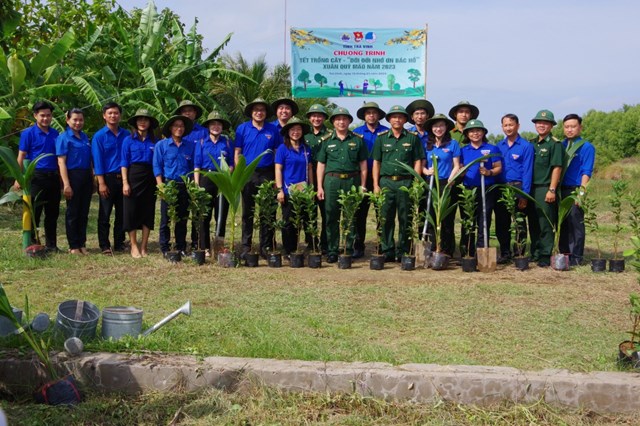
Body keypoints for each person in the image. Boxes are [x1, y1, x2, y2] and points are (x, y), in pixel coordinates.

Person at [372, 105, 424, 261]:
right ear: (389, 120)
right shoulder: (381, 138)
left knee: (405, 218)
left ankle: (403, 249)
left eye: (400, 117)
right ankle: (387, 249)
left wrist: (416, 183)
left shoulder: (412, 138)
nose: (397, 119)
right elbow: (376, 162)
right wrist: (375, 184)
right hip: (386, 182)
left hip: (405, 183)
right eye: (394, 117)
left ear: (405, 119)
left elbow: (417, 161)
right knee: (385, 218)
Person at [316, 107, 368, 263]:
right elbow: (321, 164)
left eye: (344, 119)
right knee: (331, 216)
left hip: (352, 181)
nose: (341, 122)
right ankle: (332, 250)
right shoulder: (326, 141)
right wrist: (319, 186)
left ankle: (348, 249)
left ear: (349, 121)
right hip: (332, 182)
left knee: (350, 216)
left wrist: (363, 185)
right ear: (333, 122)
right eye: (338, 119)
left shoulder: (357, 140)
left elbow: (363, 164)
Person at [235, 98, 283, 259]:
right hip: (248, 173)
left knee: (267, 212)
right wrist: (239, 174)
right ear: (251, 112)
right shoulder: (242, 129)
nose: (259, 112)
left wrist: (277, 179)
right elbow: (237, 153)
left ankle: (266, 246)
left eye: (262, 109)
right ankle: (246, 246)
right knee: (247, 211)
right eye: (256, 109)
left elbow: (277, 153)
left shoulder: (273, 130)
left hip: (268, 173)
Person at [14, 101, 60, 252]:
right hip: (36, 177)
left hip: (53, 177)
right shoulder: (28, 133)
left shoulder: (55, 134)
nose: (45, 118)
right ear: (35, 116)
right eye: (42, 116)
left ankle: (51, 245)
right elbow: (21, 156)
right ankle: (32, 244)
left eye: (48, 115)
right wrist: (18, 177)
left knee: (52, 213)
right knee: (35, 212)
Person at [494, 114, 534, 263]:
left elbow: (528, 171)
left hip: (518, 187)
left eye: (511, 125)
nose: (508, 128)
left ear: (518, 125)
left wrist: (525, 194)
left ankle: (519, 253)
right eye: (505, 125)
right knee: (501, 222)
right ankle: (505, 252)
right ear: (502, 127)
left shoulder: (525, 146)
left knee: (519, 222)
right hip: (502, 188)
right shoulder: (498, 146)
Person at [459, 119, 502, 257]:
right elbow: (459, 167)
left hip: (487, 189)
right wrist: (461, 171)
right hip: (469, 190)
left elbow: (498, 167)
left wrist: (489, 172)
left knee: (484, 219)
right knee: (468, 221)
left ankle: (482, 251)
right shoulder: (463, 150)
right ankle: (468, 252)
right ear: (467, 134)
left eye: (478, 131)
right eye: (471, 131)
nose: (475, 133)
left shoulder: (492, 148)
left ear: (483, 132)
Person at [153, 115, 195, 256]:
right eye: (176, 126)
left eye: (181, 126)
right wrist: (161, 186)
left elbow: (193, 167)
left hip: (184, 185)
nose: (179, 128)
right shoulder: (162, 145)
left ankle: (181, 246)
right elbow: (157, 166)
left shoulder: (190, 146)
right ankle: (165, 247)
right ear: (170, 128)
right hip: (168, 185)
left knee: (182, 218)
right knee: (166, 218)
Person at [194, 111, 235, 256]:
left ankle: (218, 246)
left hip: (222, 180)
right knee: (204, 214)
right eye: (213, 124)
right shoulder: (201, 142)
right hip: (206, 178)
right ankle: (204, 247)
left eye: (218, 124)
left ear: (222, 127)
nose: (216, 127)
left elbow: (231, 163)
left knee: (221, 214)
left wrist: (227, 173)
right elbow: (197, 165)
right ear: (208, 126)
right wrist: (197, 184)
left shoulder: (227, 142)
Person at [528, 109, 565, 267]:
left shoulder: (554, 144)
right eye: (539, 122)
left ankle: (545, 254)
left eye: (545, 123)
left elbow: (557, 167)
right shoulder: (532, 143)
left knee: (545, 223)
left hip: (545, 187)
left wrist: (552, 189)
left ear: (551, 125)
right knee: (533, 222)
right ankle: (535, 252)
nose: (541, 125)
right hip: (531, 188)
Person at [91, 102, 130, 255]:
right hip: (107, 178)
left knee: (122, 213)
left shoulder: (126, 134)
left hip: (124, 178)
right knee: (105, 213)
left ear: (120, 115)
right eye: (110, 113)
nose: (113, 116)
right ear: (104, 116)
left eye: (116, 113)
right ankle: (104, 245)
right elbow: (97, 160)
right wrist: (101, 183)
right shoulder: (99, 137)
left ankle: (119, 242)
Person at [121, 109, 159, 258]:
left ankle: (144, 246)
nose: (143, 122)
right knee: (131, 211)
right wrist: (125, 182)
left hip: (150, 177)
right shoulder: (128, 140)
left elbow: (158, 162)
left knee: (148, 211)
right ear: (136, 122)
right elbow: (124, 162)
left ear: (150, 123)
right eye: (140, 119)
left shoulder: (155, 141)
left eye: (146, 119)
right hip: (133, 176)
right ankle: (133, 245)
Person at [352, 101, 388, 258]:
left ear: (379, 115)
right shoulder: (356, 133)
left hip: (382, 179)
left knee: (383, 214)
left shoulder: (387, 132)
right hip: (363, 179)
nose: (371, 115)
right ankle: (358, 246)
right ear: (364, 116)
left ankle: (383, 246)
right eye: (368, 113)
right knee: (359, 215)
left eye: (374, 112)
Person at [422, 113, 461, 257]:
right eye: (435, 126)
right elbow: (422, 165)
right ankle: (433, 247)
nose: (438, 129)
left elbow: (456, 165)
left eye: (441, 126)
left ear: (446, 127)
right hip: (431, 183)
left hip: (447, 183)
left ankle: (447, 249)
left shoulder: (453, 144)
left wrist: (451, 179)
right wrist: (427, 171)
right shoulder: (427, 144)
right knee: (431, 215)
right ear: (432, 128)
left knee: (446, 217)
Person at [559, 113, 595, 266]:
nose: (570, 130)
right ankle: (564, 253)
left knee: (576, 223)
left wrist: (581, 193)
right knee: (563, 223)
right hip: (561, 189)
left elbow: (587, 171)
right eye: (567, 127)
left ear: (580, 127)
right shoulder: (561, 145)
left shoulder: (586, 147)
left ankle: (577, 256)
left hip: (575, 189)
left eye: (573, 127)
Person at [56, 108, 93, 255]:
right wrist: (66, 184)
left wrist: (93, 179)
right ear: (67, 120)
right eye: (75, 120)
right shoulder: (64, 138)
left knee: (84, 212)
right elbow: (61, 162)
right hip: (72, 176)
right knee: (73, 212)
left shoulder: (84, 137)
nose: (78, 123)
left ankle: (82, 243)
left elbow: (89, 161)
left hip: (86, 176)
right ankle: (73, 245)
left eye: (81, 120)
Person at [275, 117, 313, 256]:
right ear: (288, 132)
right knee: (288, 221)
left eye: (298, 129)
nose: (296, 132)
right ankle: (289, 249)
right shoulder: (282, 148)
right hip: (288, 190)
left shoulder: (306, 149)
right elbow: (278, 169)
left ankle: (304, 247)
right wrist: (279, 190)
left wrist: (311, 188)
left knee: (304, 220)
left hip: (303, 190)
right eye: (292, 129)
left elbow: (309, 169)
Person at [174, 100, 207, 250]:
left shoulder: (202, 131)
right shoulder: (177, 130)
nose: (188, 113)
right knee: (180, 213)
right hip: (178, 177)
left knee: (197, 212)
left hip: (197, 177)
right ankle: (180, 244)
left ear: (195, 113)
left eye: (191, 111)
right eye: (184, 111)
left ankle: (196, 243)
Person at [304, 104, 331, 253]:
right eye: (313, 115)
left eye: (319, 115)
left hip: (325, 177)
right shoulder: (304, 136)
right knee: (309, 211)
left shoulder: (330, 135)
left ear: (324, 118)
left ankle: (325, 243)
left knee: (326, 211)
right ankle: (311, 241)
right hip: (307, 176)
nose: (316, 118)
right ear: (309, 118)